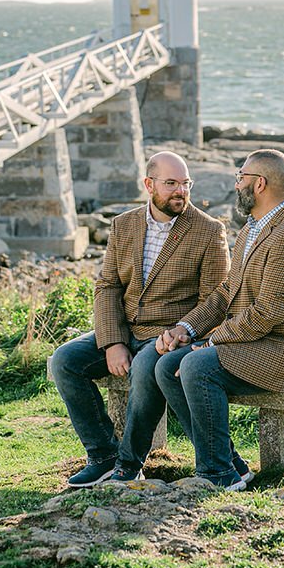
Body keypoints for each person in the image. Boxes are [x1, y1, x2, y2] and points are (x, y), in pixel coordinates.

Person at [155, 148, 284, 489]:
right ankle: (231, 464)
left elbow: (265, 314)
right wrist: (186, 329)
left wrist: (210, 342)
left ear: (258, 184)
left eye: (240, 177)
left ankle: (217, 475)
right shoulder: (253, 229)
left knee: (199, 367)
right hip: (257, 342)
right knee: (168, 366)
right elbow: (225, 293)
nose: (236, 184)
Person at [52, 150, 229, 487]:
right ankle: (102, 456)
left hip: (168, 336)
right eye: (171, 183)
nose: (180, 191)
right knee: (65, 360)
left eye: (185, 183)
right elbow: (108, 285)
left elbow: (216, 299)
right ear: (149, 184)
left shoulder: (208, 231)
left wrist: (182, 332)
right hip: (126, 328)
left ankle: (128, 464)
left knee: (145, 368)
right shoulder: (124, 224)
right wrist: (113, 341)